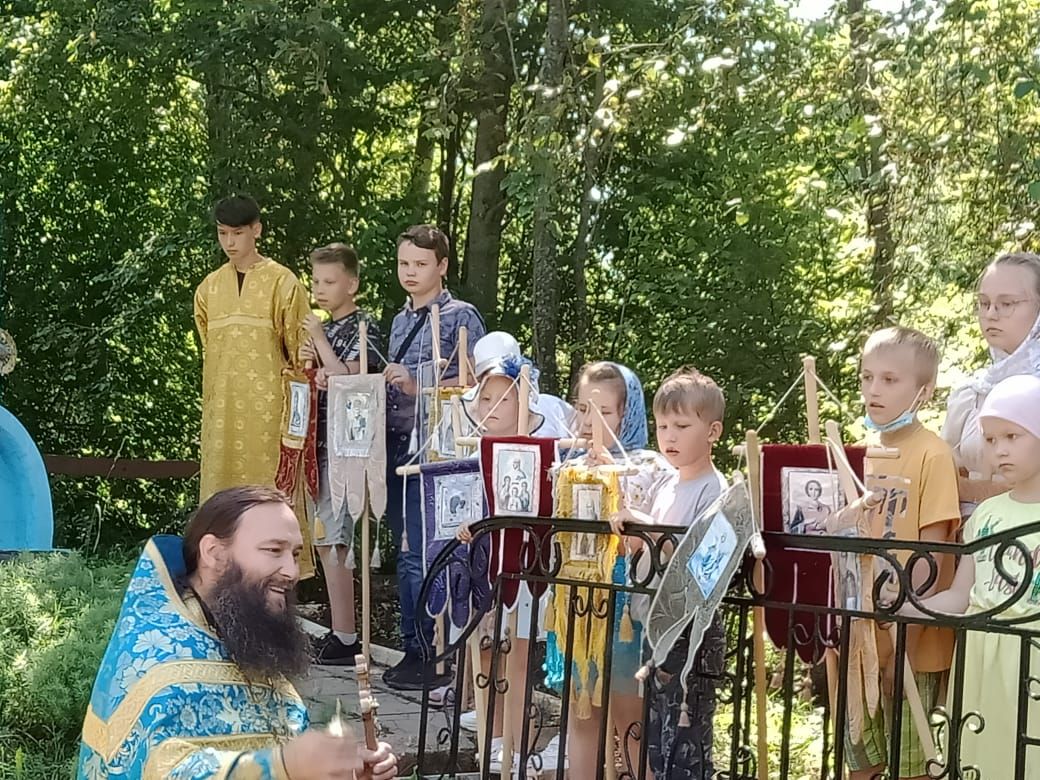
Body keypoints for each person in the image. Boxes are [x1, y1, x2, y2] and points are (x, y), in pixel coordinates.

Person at [76, 486, 397, 780]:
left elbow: (283, 750)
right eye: (274, 550)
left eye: (295, 554)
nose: (291, 572)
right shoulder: (155, 655)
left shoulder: (244, 636)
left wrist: (344, 773)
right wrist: (281, 767)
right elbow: (161, 769)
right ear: (214, 553)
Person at [897, 373, 1040, 777]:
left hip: (1031, 663)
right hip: (979, 659)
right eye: (990, 439)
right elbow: (962, 595)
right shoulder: (987, 515)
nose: (999, 450)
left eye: (1012, 436)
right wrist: (910, 608)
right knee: (983, 760)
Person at [545, 361, 678, 779]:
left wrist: (614, 484)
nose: (590, 421)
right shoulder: (567, 465)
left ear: (627, 412)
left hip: (624, 606)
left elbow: (660, 541)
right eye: (583, 409)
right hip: (576, 601)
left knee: (631, 721)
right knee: (581, 715)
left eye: (604, 411)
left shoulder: (652, 468)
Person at [847, 326, 961, 780]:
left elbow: (933, 560)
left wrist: (904, 649)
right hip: (862, 644)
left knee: (911, 766)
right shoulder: (861, 454)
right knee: (861, 764)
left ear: (923, 392)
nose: (873, 390)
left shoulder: (933, 455)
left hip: (914, 644)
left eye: (889, 380)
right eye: (866, 377)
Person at [453, 332, 567, 776]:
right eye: (485, 399)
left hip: (526, 565)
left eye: (504, 398)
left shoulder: (548, 446)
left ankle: (517, 746)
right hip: (486, 565)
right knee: (486, 647)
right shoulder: (474, 448)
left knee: (518, 653)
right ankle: (494, 736)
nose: (493, 408)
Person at [610, 366, 728, 780]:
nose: (669, 437)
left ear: (712, 431)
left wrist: (651, 529)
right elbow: (644, 552)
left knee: (685, 747)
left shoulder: (715, 489)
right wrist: (628, 530)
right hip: (654, 627)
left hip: (690, 634)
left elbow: (705, 563)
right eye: (662, 426)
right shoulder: (665, 486)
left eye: (681, 426)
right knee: (658, 747)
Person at [381, 224, 486, 690]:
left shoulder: (463, 317)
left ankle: (434, 651)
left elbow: (476, 383)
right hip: (400, 445)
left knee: (430, 550)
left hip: (440, 452)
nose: (410, 272)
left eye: (421, 264)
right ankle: (413, 645)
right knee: (405, 551)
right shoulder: (399, 321)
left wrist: (417, 382)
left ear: (442, 266)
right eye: (404, 263)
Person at [299, 243, 383, 666]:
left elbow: (348, 378)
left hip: (347, 445)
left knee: (336, 537)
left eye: (329, 281)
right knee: (324, 535)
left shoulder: (363, 326)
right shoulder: (329, 329)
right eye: (316, 281)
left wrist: (318, 340)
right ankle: (340, 629)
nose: (320, 289)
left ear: (352, 284)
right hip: (317, 442)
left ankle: (347, 634)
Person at [194, 196, 310, 503]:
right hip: (221, 412)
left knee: (269, 497)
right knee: (221, 500)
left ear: (256, 230)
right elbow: (210, 350)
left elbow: (301, 357)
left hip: (269, 414)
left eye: (237, 233)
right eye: (222, 233)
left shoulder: (283, 282)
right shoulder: (208, 288)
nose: (229, 242)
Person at [942, 252, 1040, 518]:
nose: (991, 314)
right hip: (970, 534)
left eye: (1006, 304)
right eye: (984, 303)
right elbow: (943, 476)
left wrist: (970, 490)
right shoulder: (971, 394)